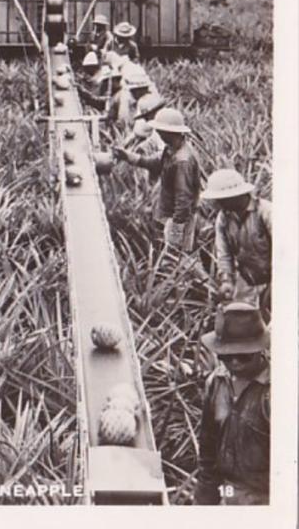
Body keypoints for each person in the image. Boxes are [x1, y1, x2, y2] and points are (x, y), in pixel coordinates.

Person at [194, 302, 270, 505]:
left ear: (260, 351)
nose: (235, 363)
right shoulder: (216, 382)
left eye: (244, 356)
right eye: (227, 356)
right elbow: (208, 451)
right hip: (227, 493)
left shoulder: (272, 394)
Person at [113, 107, 200, 255]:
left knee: (177, 257)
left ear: (170, 132)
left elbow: (183, 198)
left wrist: (176, 231)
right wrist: (127, 156)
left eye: (160, 130)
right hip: (167, 214)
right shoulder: (171, 149)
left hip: (177, 219)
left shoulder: (182, 160)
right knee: (166, 253)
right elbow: (153, 162)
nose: (158, 133)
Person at [200, 169, 271, 320]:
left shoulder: (265, 212)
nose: (218, 203)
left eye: (222, 199)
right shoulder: (224, 218)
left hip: (275, 279)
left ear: (237, 195)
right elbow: (224, 255)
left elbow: (286, 253)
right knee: (241, 325)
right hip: (247, 280)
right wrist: (227, 281)